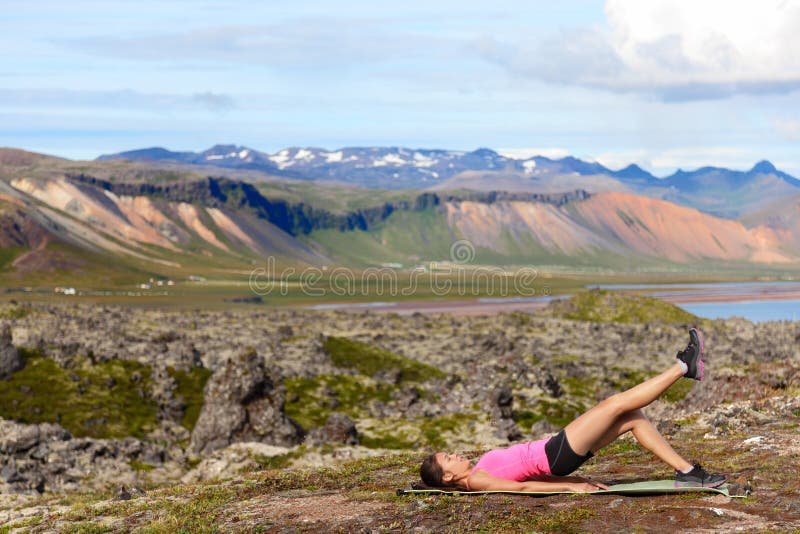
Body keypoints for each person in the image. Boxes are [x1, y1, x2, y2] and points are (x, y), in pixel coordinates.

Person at [419, 328, 727, 492]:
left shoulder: (478, 469)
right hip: (556, 455)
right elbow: (524, 488)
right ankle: (684, 366)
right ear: (447, 477)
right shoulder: (477, 481)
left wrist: (575, 481)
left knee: (632, 417)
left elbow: (531, 478)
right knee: (615, 403)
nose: (456, 454)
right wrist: (572, 486)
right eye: (449, 459)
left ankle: (688, 473)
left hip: (555, 453)